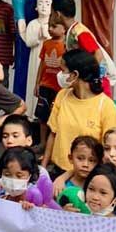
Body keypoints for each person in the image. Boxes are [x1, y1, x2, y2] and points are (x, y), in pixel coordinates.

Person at [43, 49, 116, 176]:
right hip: (57, 170)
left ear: (75, 75)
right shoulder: (62, 95)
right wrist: (44, 167)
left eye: (63, 70)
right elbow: (53, 133)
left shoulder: (106, 106)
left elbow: (108, 148)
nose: (60, 75)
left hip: (87, 174)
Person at [53, 0, 113, 94]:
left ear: (58, 14)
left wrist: (86, 78)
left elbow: (98, 55)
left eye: (52, 14)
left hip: (96, 88)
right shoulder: (72, 31)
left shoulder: (80, 33)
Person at [0, 114, 51, 198]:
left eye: (15, 136)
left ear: (28, 140)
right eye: (5, 136)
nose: (9, 141)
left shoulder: (41, 173)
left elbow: (46, 204)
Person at [35, 12, 66, 154]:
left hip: (59, 88)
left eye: (54, 26)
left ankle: (54, 146)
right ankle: (42, 143)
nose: (50, 29)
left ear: (64, 28)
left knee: (57, 117)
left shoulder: (66, 45)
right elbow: (42, 64)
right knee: (42, 116)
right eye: (49, 26)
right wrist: (37, 83)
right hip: (45, 85)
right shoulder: (46, 43)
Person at [52, 135, 103, 201]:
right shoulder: (62, 186)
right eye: (80, 158)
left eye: (91, 160)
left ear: (98, 163)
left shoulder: (98, 186)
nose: (85, 165)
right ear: (70, 158)